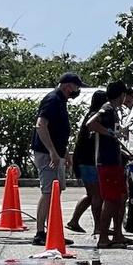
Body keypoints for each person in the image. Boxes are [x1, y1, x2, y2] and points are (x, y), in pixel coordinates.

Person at [30, 73, 84, 246]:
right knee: (48, 191)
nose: (78, 90)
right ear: (68, 86)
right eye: (77, 86)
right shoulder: (52, 99)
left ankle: (53, 231)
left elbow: (58, 130)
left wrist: (65, 152)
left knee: (55, 191)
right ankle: (40, 233)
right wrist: (52, 151)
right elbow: (41, 125)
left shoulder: (60, 101)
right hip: (47, 154)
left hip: (56, 153)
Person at [86, 82, 133, 249]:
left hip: (114, 160)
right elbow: (91, 123)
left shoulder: (113, 112)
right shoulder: (107, 108)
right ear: (121, 95)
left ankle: (118, 235)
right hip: (106, 162)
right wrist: (109, 132)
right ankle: (103, 237)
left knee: (121, 197)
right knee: (111, 199)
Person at [67, 90, 109, 236]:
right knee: (98, 195)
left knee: (91, 195)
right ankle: (98, 227)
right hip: (88, 162)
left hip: (82, 161)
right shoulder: (95, 118)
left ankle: (74, 221)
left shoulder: (90, 115)